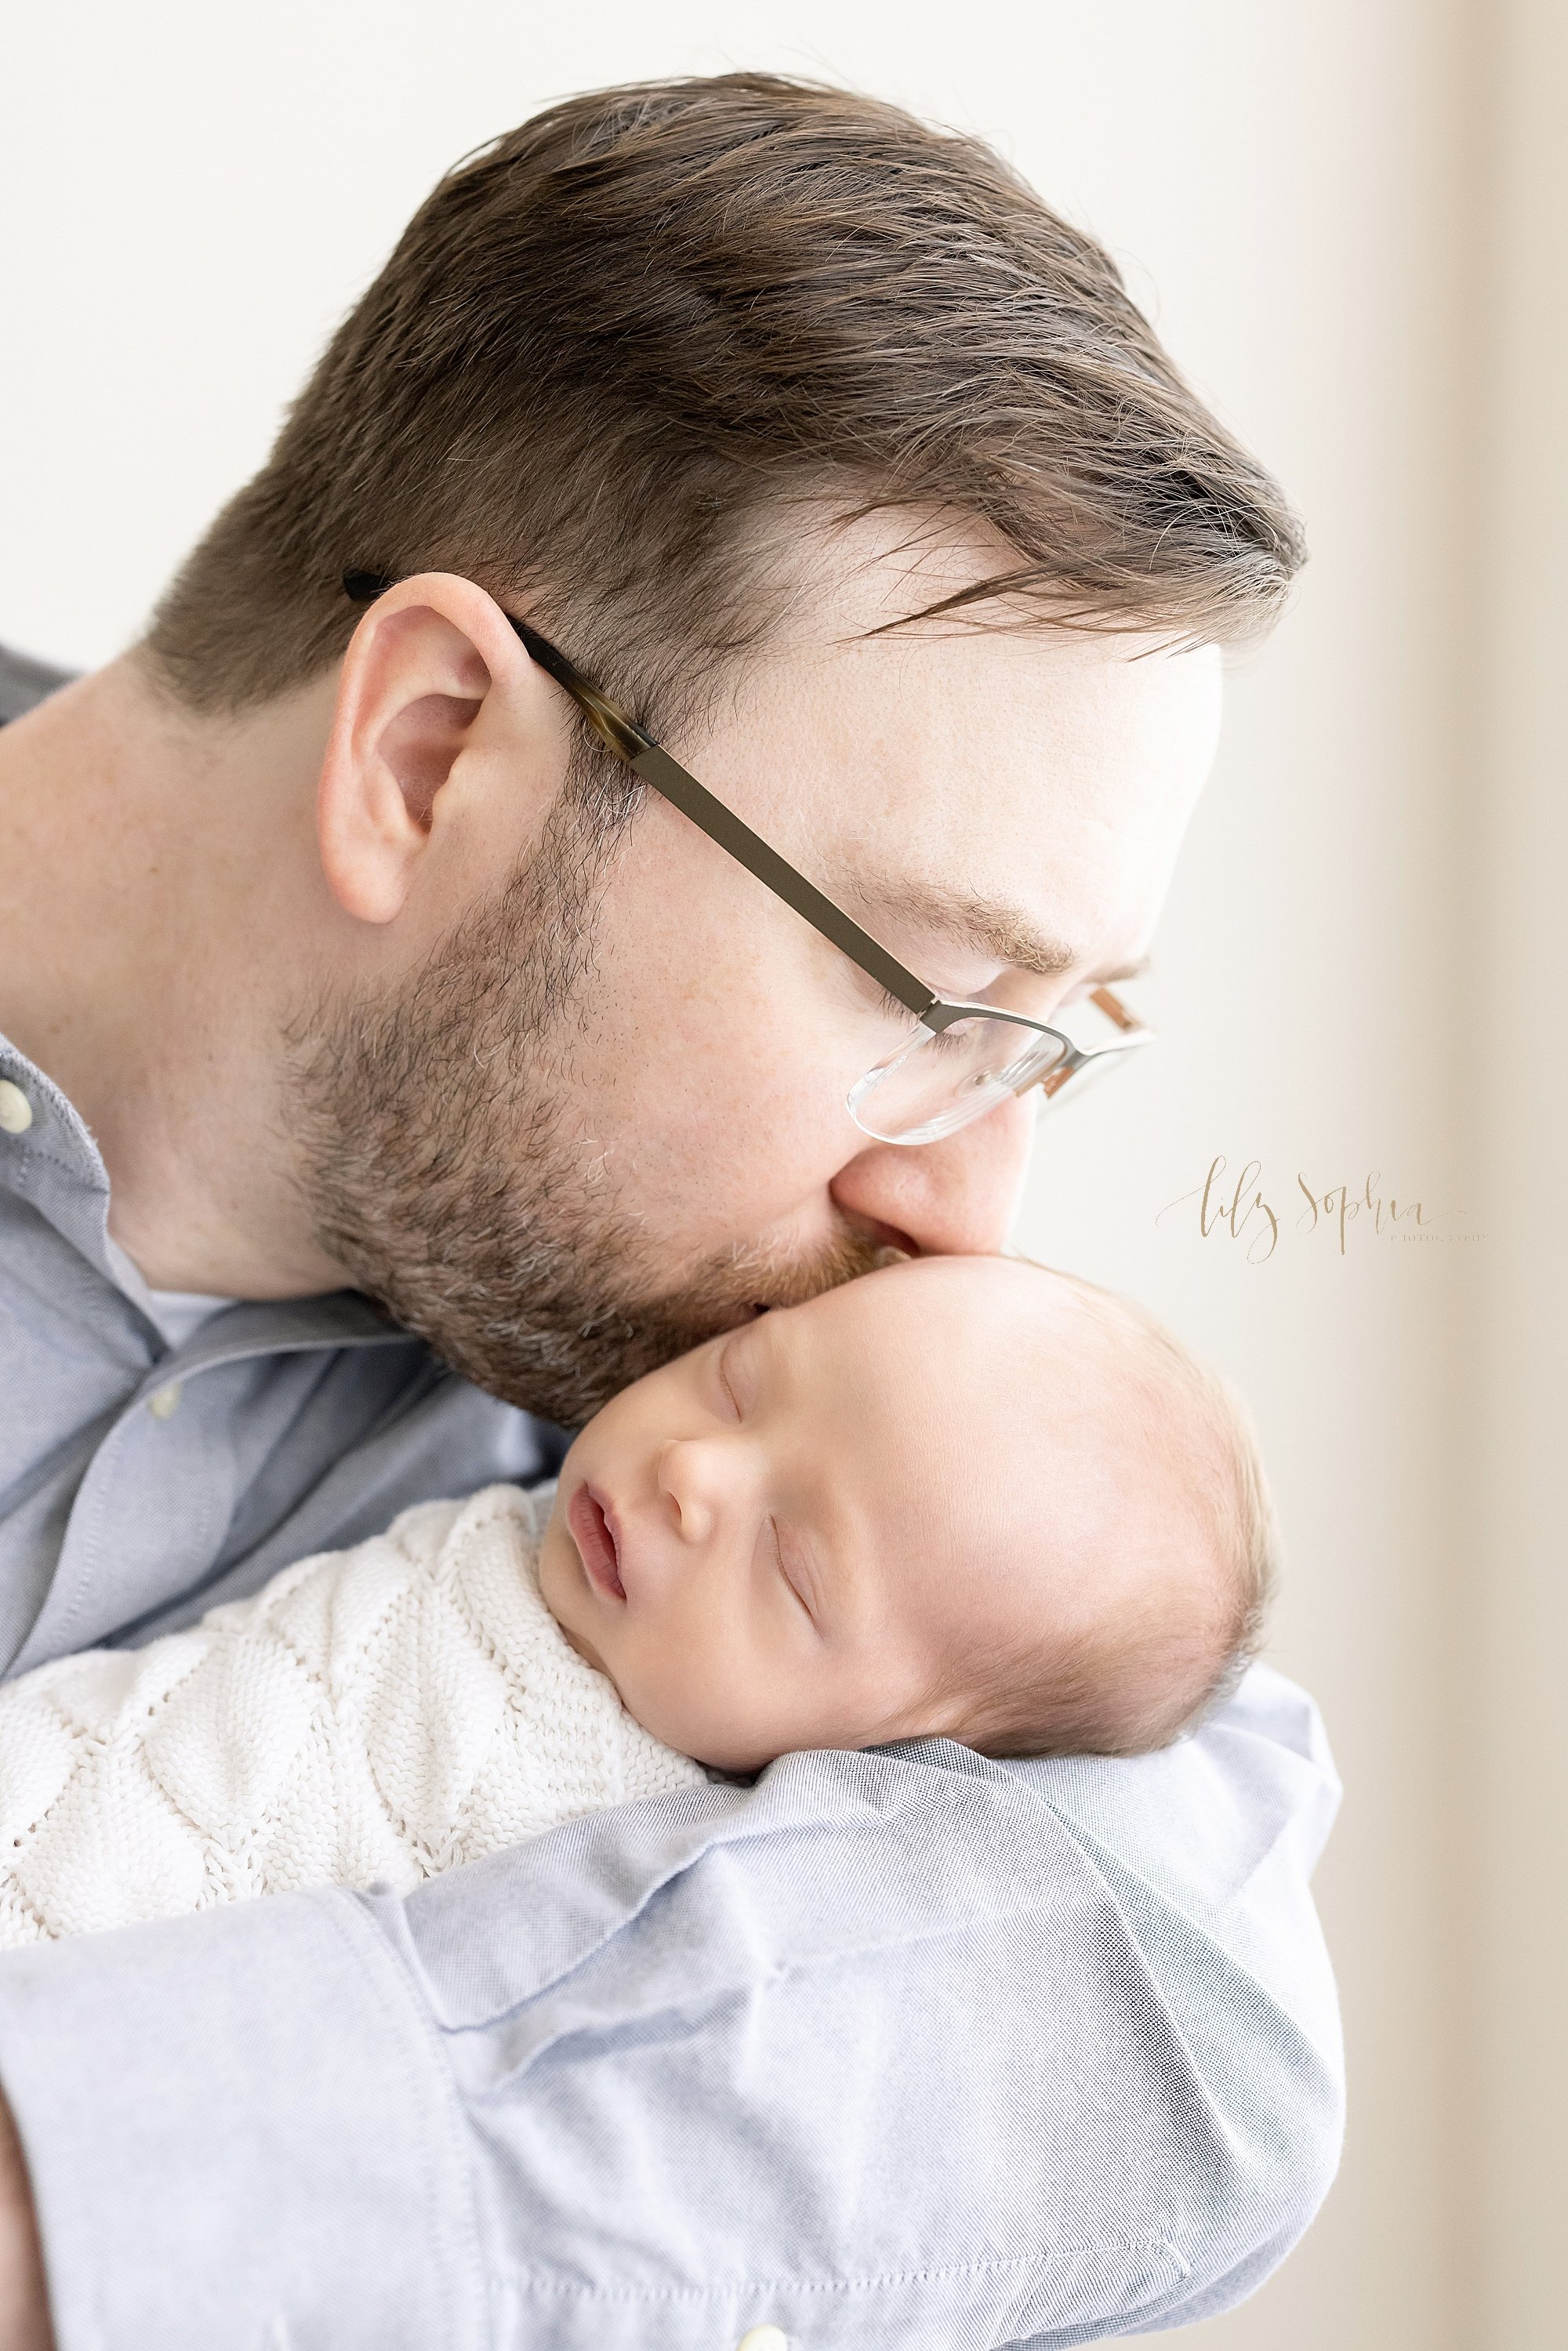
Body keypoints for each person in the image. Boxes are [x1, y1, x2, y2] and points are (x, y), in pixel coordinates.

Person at [0, 72, 1342, 2351]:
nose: (969, 1203)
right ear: (430, 753)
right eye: (928, 987)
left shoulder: (692, 1449)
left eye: (1049, 1031)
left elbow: (1185, 2001)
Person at [0, 1255, 1276, 1945]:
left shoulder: (643, 1867)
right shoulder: (521, 1477)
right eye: (738, 1380)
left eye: (792, 1568)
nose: (691, 1475)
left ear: (884, 1752)